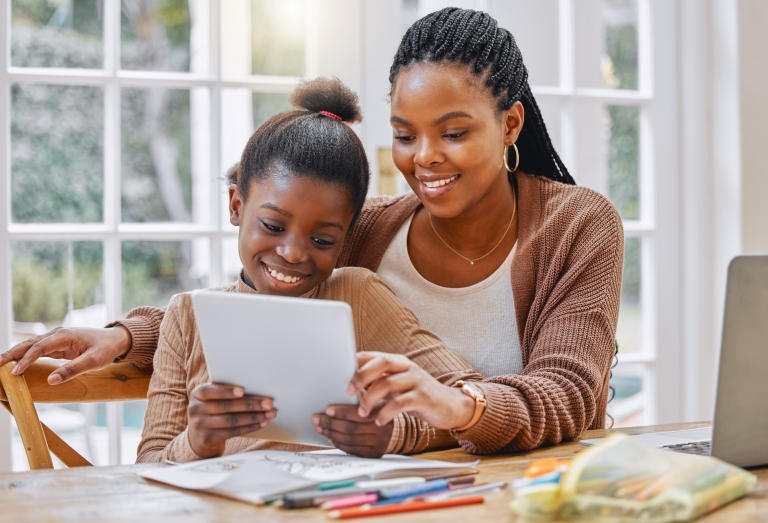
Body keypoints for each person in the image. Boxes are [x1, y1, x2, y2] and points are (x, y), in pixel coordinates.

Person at [2, 8, 623, 457]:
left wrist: (455, 407)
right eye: (404, 134)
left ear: (510, 124)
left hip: (529, 485)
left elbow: (568, 391)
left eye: (454, 133)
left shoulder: (576, 225)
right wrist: (125, 335)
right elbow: (263, 295)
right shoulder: (363, 227)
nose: (425, 157)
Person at [137, 77, 483, 462]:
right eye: (273, 226)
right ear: (236, 206)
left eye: (322, 240)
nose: (293, 253)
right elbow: (148, 464)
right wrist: (196, 442)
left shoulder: (357, 296)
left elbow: (467, 399)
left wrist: (393, 432)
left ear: (346, 237)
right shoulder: (185, 317)